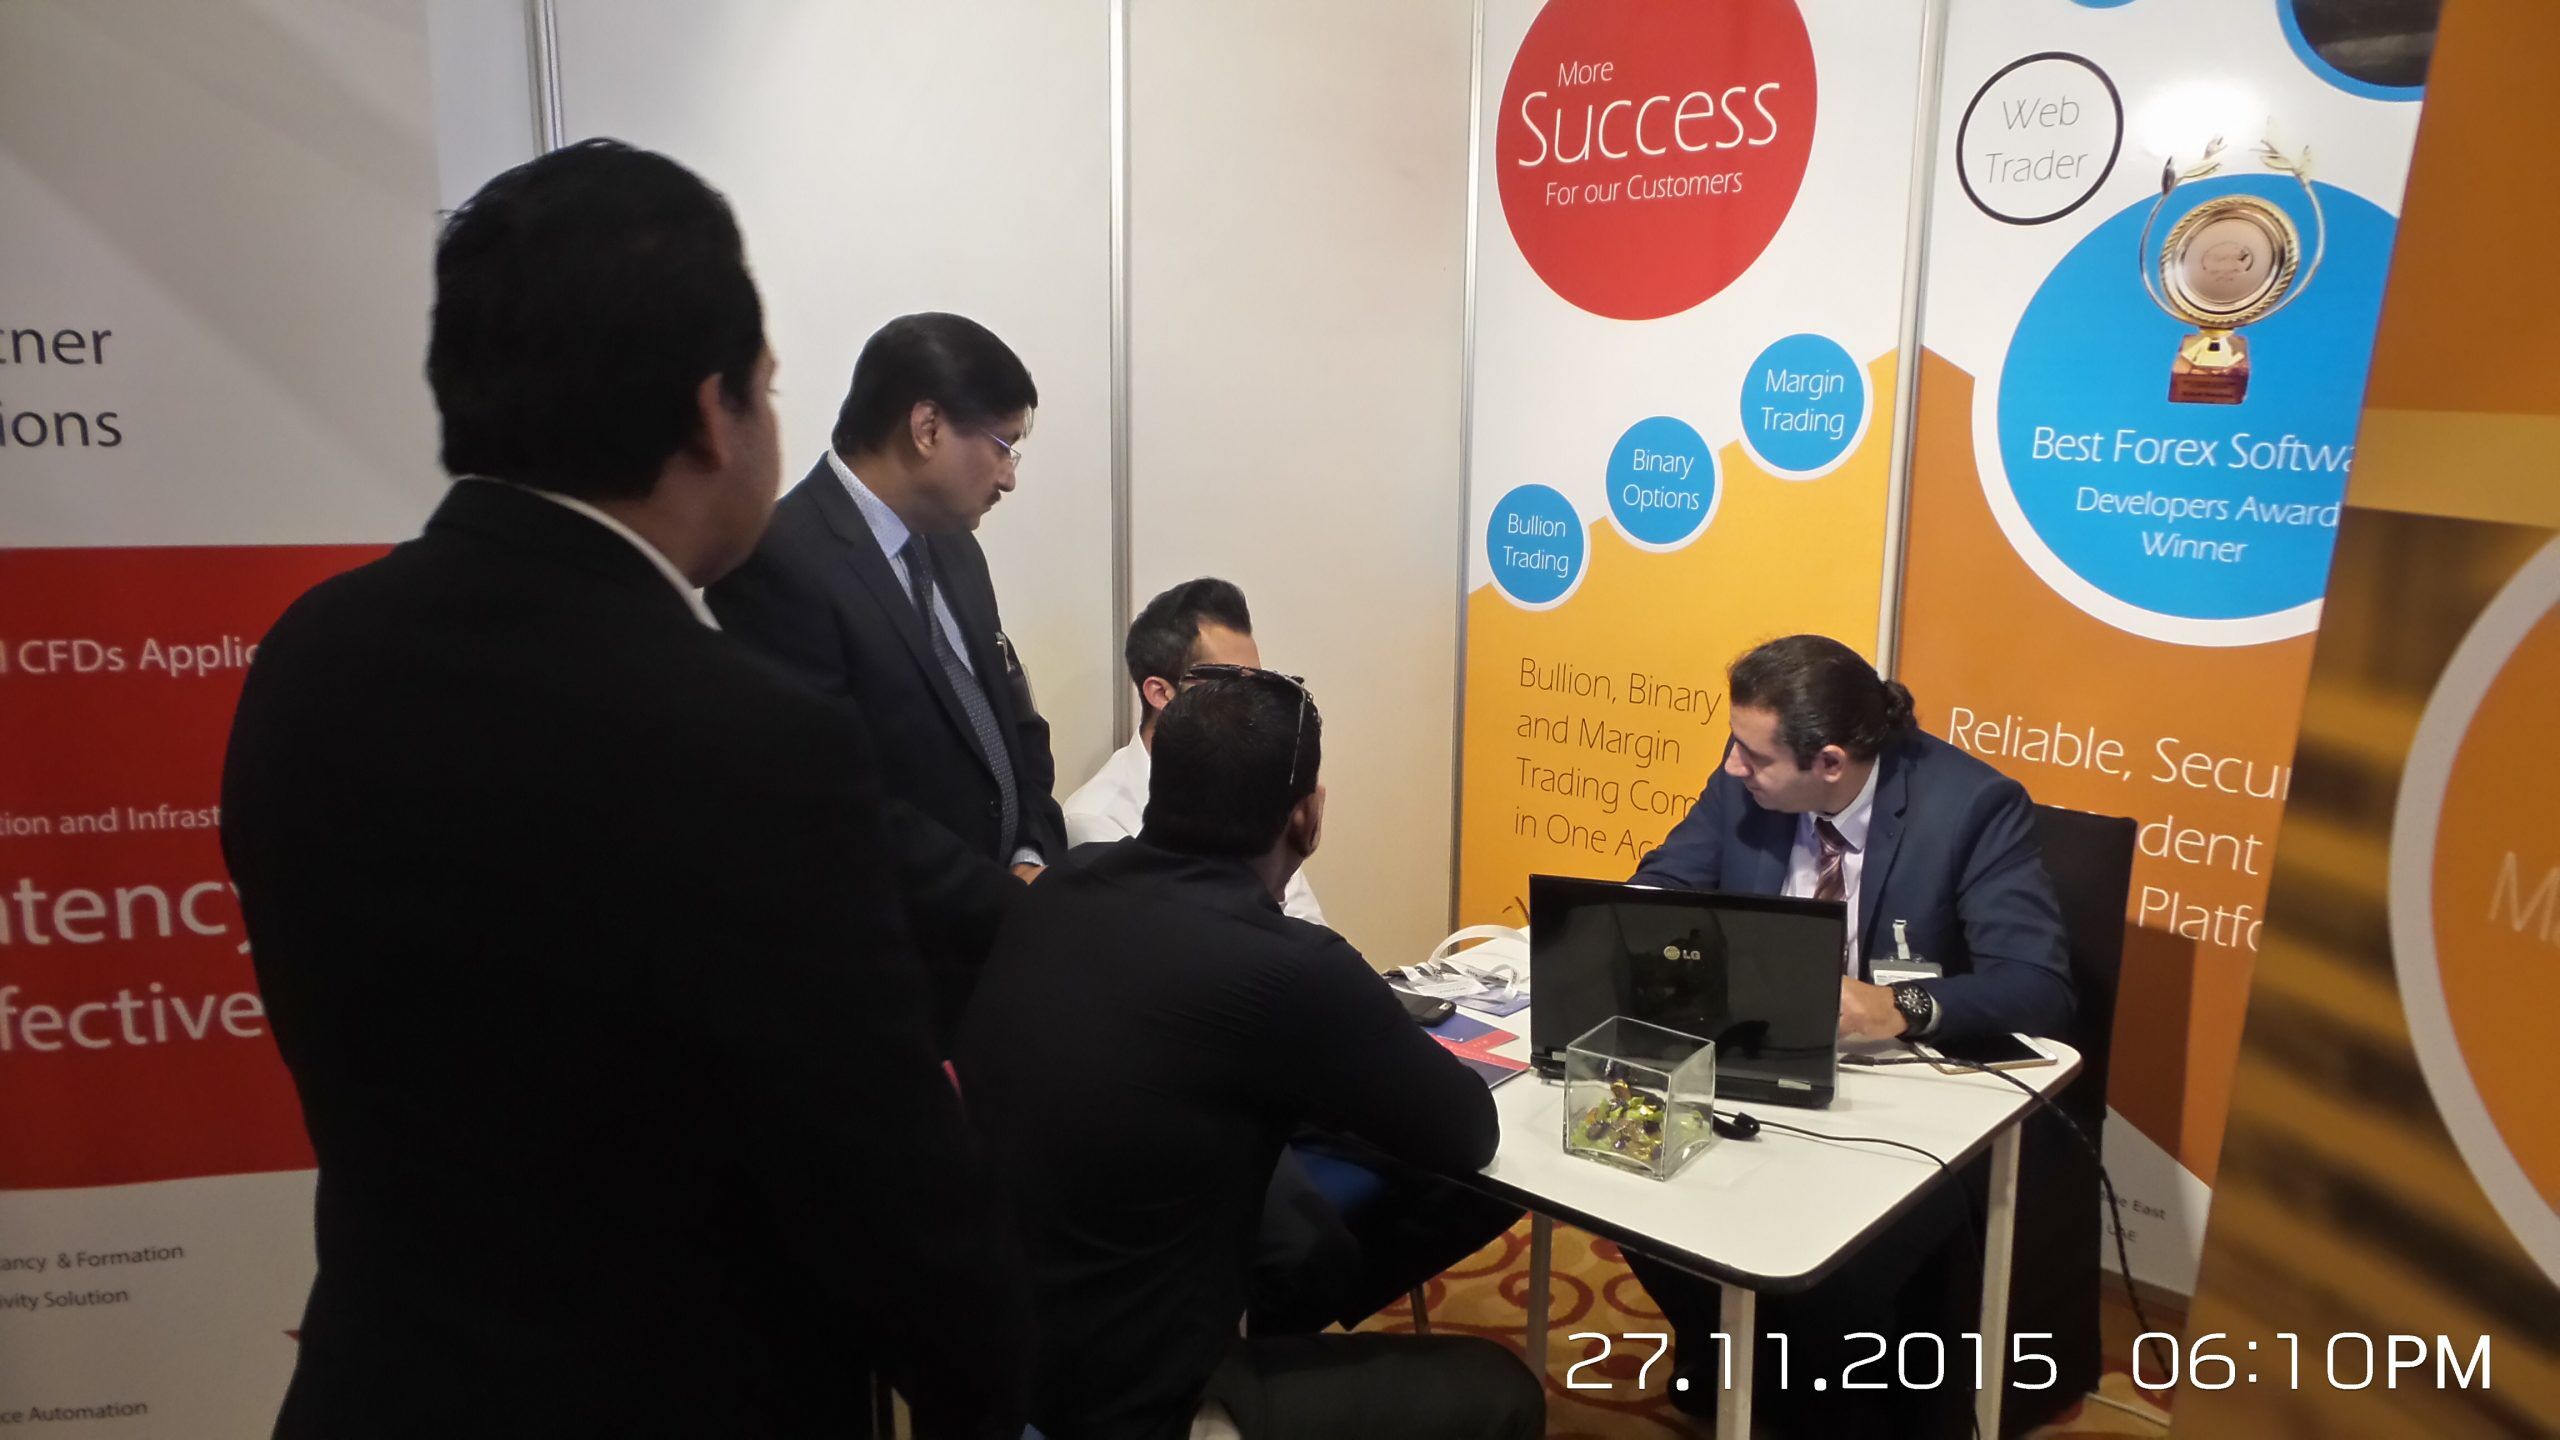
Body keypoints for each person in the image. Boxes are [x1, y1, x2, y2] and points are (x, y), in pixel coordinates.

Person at [220, 141, 1028, 1439]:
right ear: (714, 413)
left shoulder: (308, 655)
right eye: (768, 390)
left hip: (381, 1384)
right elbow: (890, 1201)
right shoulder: (749, 741)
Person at [956, 672, 1544, 1440]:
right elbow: (1468, 1131)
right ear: (1308, 816)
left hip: (988, 1349)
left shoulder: (1061, 886)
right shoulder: (1293, 967)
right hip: (1127, 1405)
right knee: (1503, 1391)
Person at [1624, 632, 2074, 1436]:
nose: (1733, 767)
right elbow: (1664, 882)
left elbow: (2038, 986)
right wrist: (1640, 926)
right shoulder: (1744, 785)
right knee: (1629, 1190)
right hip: (1757, 1062)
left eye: (1755, 756)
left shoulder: (1971, 807)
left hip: (1901, 1103)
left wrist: (1899, 1008)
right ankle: (1744, 1372)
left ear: (1829, 762)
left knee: (1824, 1270)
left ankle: (1816, 1402)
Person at [707, 312, 1065, 1034]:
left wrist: (1032, 853)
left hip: (995, 961)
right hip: (885, 979)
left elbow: (1016, 726)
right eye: (1002, 446)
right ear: (927, 427)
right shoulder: (778, 560)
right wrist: (1007, 903)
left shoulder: (956, 548)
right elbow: (839, 802)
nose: (1008, 477)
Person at [1064, 577, 1325, 924]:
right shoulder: (1097, 820)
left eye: (1257, 684)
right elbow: (1168, 940)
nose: (1253, 704)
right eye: (1231, 684)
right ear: (1161, 693)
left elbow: (1306, 920)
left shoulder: (1251, 780)